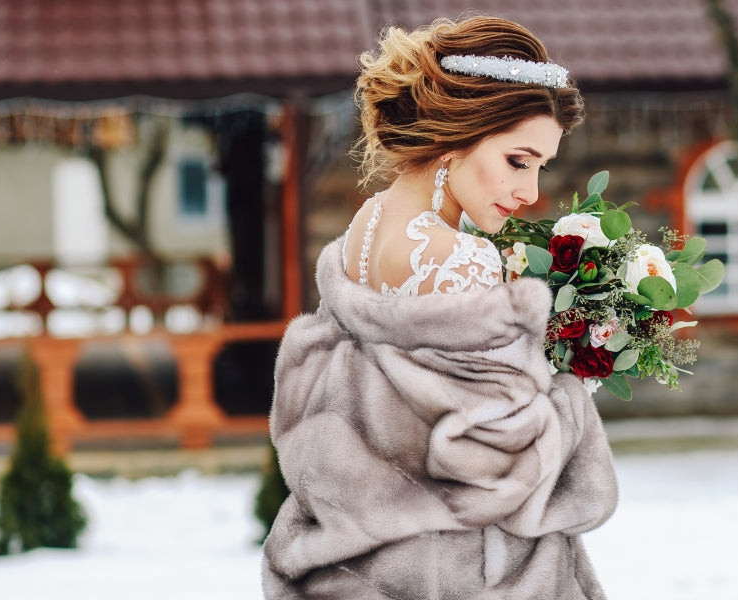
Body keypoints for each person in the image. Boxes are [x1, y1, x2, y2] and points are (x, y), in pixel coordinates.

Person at [262, 15, 618, 599]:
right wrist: (572, 386)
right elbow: (496, 458)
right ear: (460, 136)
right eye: (517, 160)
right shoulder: (461, 258)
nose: (529, 193)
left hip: (373, 561)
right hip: (471, 573)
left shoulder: (365, 225)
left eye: (540, 167)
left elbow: (397, 405)